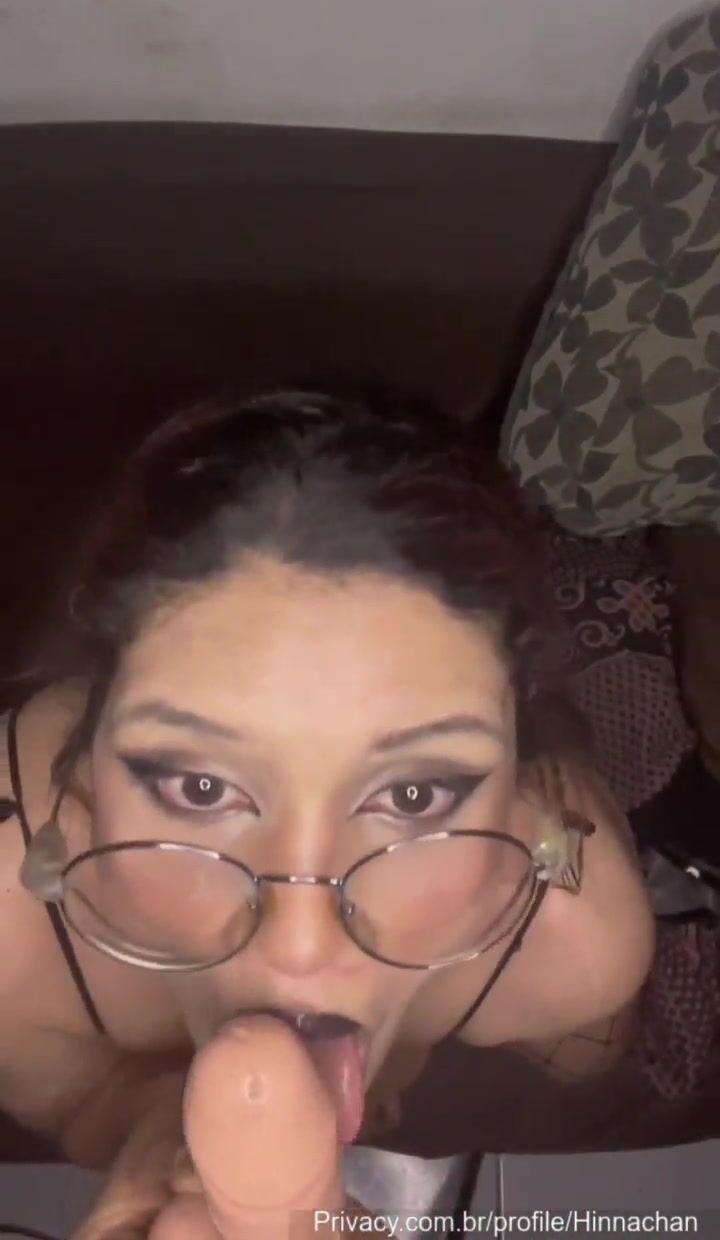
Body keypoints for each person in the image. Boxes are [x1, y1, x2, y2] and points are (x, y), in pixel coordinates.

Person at [0, 389, 668, 1236]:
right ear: (86, 769)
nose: (302, 944)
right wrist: (156, 1128)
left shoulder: (573, 951)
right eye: (199, 789)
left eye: (414, 795)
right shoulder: (11, 933)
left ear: (516, 779)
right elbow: (75, 1100)